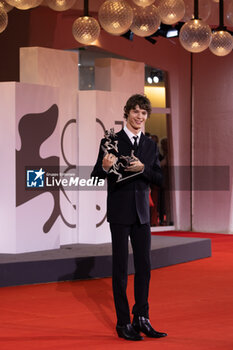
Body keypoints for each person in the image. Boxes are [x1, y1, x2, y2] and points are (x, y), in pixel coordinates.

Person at [91, 94, 167, 341]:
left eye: (144, 113)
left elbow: (160, 179)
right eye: (135, 111)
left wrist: (143, 169)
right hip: (120, 212)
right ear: (127, 113)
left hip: (142, 214)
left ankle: (141, 318)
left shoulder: (150, 145)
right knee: (121, 269)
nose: (139, 116)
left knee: (144, 267)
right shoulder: (111, 140)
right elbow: (95, 176)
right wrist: (104, 166)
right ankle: (123, 322)